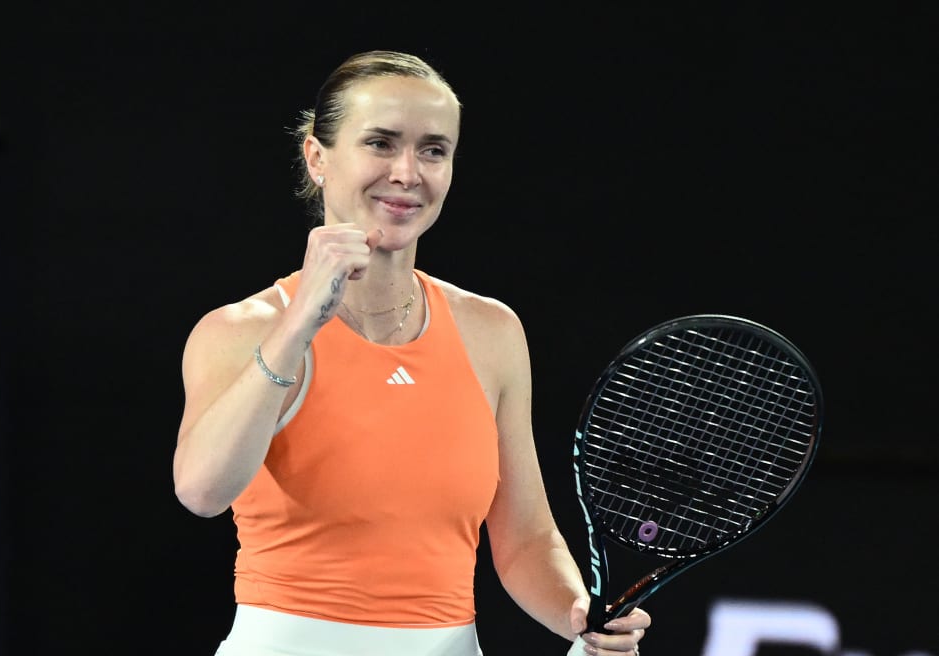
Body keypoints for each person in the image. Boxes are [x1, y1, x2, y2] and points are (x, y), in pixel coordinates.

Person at [172, 49, 651, 656]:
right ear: (317, 158)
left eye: (433, 150)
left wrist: (577, 612)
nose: (407, 172)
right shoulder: (240, 330)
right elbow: (202, 491)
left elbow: (526, 538)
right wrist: (298, 326)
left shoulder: (492, 332)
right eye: (380, 142)